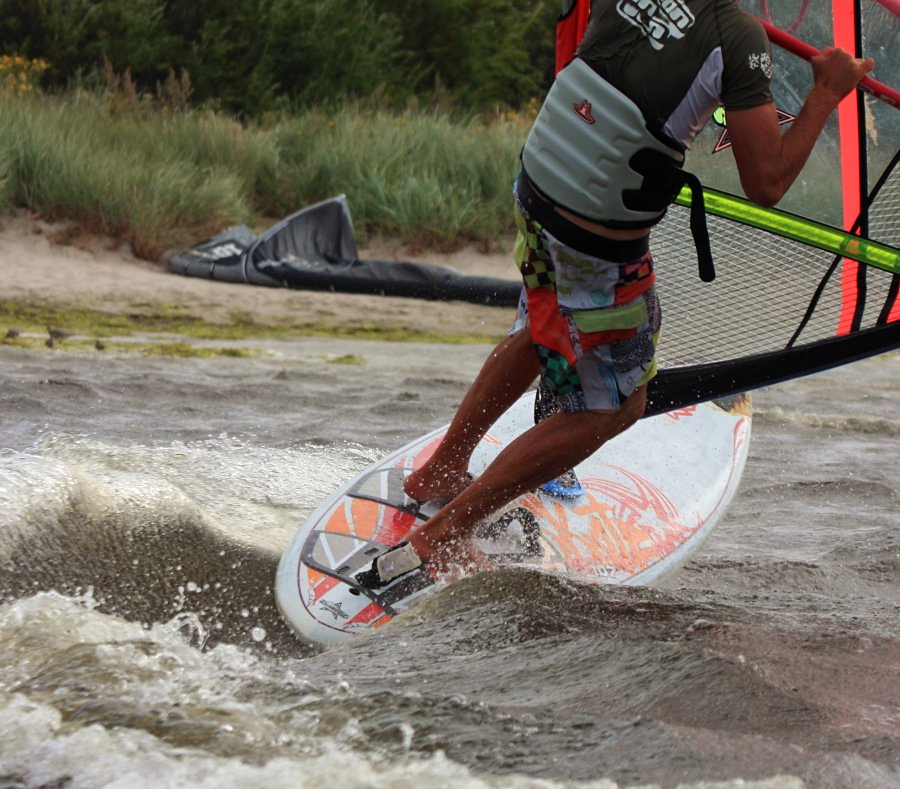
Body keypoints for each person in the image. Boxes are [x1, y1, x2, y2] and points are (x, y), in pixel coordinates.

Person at [361, 0, 875, 586]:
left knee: (540, 327)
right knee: (615, 406)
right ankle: (444, 533)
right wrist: (825, 93)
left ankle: (441, 471)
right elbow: (767, 181)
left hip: (537, 191)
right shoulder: (737, 36)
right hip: (594, 240)